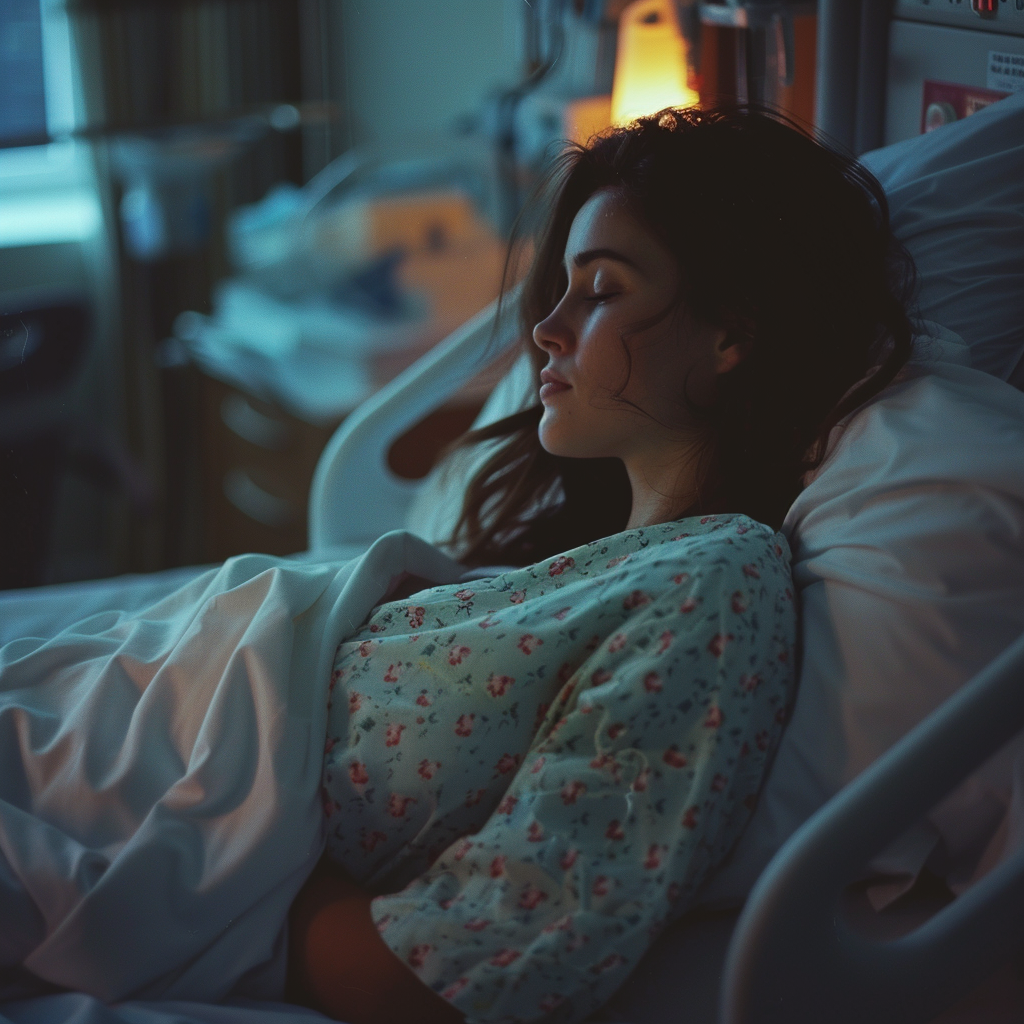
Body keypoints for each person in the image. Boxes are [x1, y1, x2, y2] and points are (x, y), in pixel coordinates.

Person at [285, 105, 916, 1024]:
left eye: (603, 289)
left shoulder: (718, 585)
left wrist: (273, 880)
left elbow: (453, 973)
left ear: (730, 335)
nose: (546, 328)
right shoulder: (583, 568)